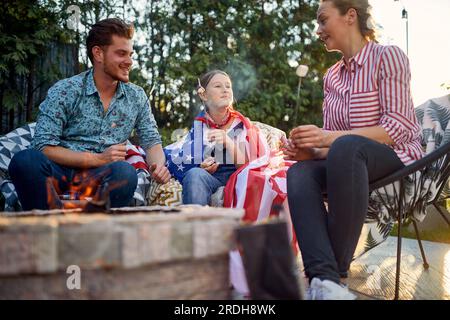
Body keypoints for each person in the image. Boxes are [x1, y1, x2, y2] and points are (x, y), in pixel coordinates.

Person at [284, 0, 423, 300]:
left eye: (322, 20)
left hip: (397, 157)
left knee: (346, 146)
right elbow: (333, 146)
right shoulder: (331, 77)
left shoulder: (388, 57)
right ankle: (325, 282)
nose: (318, 30)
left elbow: (397, 127)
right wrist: (309, 152)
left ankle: (337, 273)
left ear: (350, 16)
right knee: (299, 174)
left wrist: (329, 138)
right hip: (350, 160)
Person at [8, 18, 170, 210]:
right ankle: (49, 221)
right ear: (98, 53)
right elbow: (43, 147)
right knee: (25, 160)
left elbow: (151, 142)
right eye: (121, 54)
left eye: (130, 54)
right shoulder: (66, 90)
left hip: (102, 176)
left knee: (126, 173)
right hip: (58, 171)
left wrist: (157, 167)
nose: (129, 61)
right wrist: (98, 158)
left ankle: (91, 225)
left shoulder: (136, 96)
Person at [165, 69, 266, 206]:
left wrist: (228, 141)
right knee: (195, 174)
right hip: (213, 178)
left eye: (228, 86)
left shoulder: (241, 125)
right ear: (204, 95)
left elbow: (248, 167)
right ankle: (195, 225)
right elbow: (191, 158)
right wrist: (203, 166)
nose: (225, 89)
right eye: (218, 86)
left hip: (236, 176)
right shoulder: (200, 125)